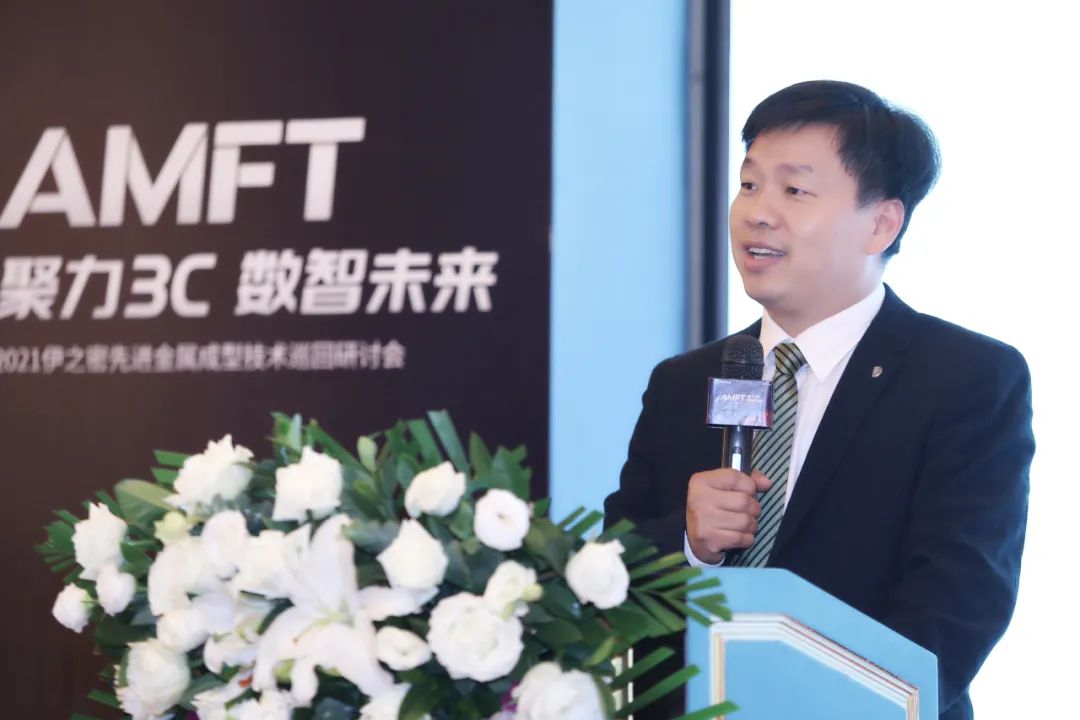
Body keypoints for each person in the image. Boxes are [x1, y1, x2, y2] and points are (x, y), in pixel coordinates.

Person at [604, 80, 1033, 720]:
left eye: (795, 191)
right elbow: (608, 577)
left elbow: (960, 599)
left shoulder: (965, 377)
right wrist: (688, 542)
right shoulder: (684, 382)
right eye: (749, 184)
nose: (758, 212)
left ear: (881, 223)